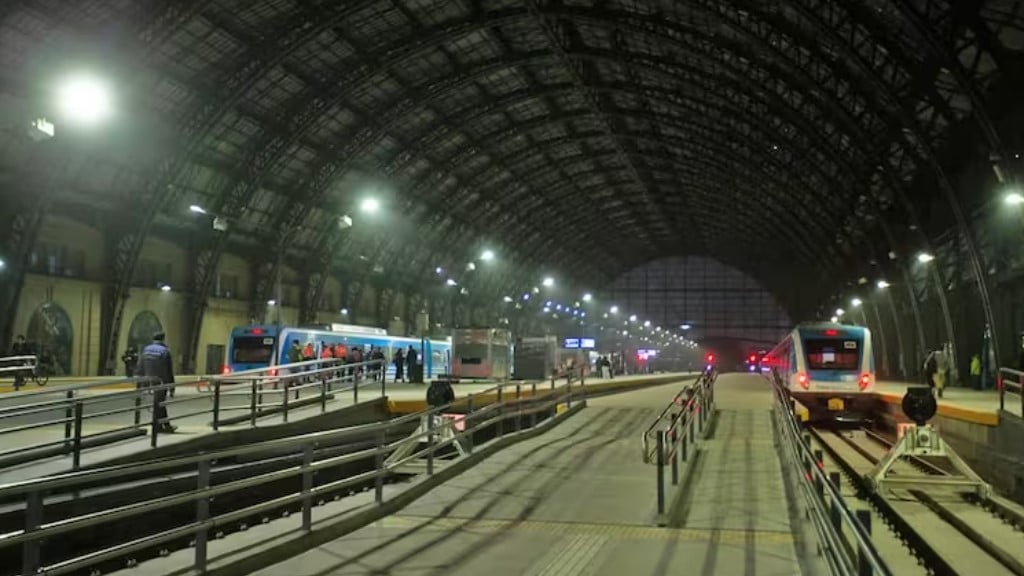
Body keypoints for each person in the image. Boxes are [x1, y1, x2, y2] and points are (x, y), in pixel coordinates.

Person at [137, 332, 176, 433]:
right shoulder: (165, 351)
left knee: (159, 403)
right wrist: (172, 387)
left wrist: (141, 382)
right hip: (161, 381)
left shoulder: (146, 349)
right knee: (160, 403)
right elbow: (169, 370)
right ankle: (159, 426)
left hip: (149, 379)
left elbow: (141, 366)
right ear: (163, 339)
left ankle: (164, 425)